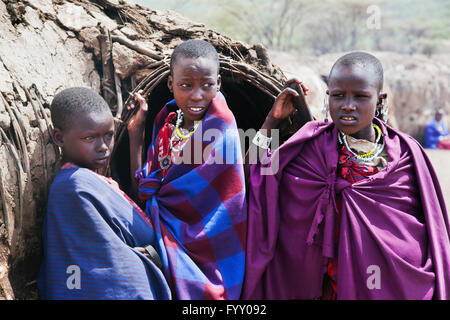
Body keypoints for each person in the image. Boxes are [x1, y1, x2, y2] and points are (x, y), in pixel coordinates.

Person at [242, 51, 450, 299]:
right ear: (328, 97)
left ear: (379, 99)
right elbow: (254, 176)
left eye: (360, 96)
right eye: (338, 96)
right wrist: (271, 122)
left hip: (392, 285)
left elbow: (429, 228)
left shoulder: (405, 154)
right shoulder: (311, 146)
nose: (347, 105)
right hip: (325, 288)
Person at [127, 39, 247, 300]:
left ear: (218, 84)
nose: (197, 95)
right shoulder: (166, 123)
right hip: (161, 227)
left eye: (207, 85)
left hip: (211, 244)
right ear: (171, 84)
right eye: (185, 85)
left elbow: (251, 175)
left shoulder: (222, 125)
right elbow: (145, 192)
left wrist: (272, 120)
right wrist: (135, 133)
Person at [38, 87, 171, 299]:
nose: (103, 147)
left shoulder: (93, 181)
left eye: (108, 135)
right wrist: (147, 257)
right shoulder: (73, 187)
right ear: (59, 138)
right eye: (90, 138)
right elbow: (102, 269)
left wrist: (136, 133)